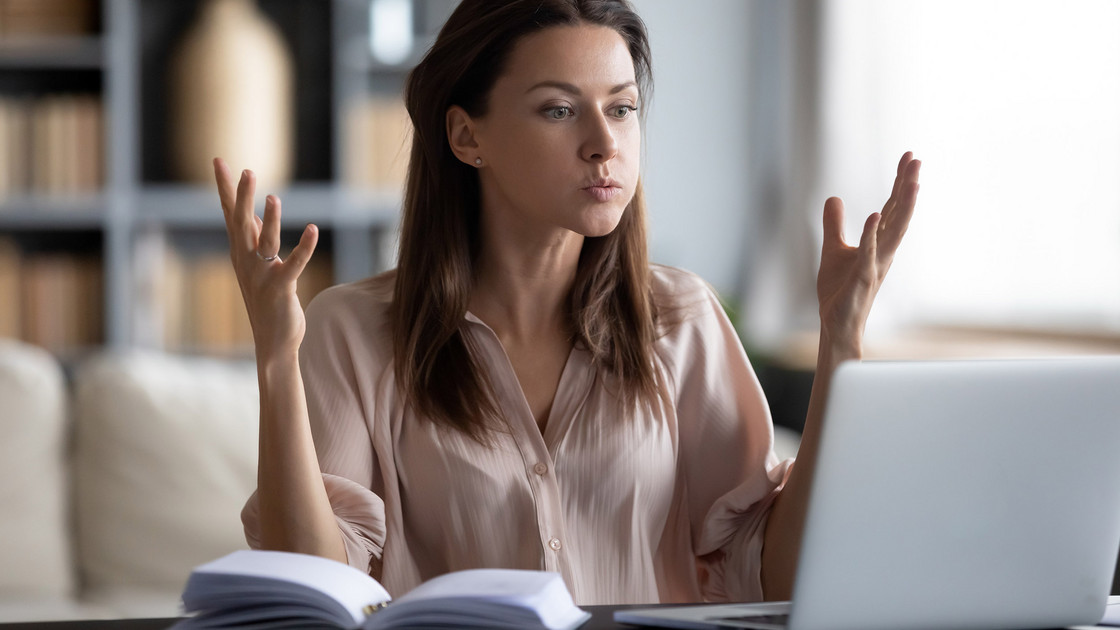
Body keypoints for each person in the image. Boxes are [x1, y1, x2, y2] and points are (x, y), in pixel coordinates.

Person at [212, 0, 920, 606]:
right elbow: (313, 589)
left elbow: (778, 579)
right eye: (559, 109)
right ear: (467, 136)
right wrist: (276, 358)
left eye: (622, 108)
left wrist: (839, 345)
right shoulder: (351, 331)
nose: (604, 143)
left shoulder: (684, 319)